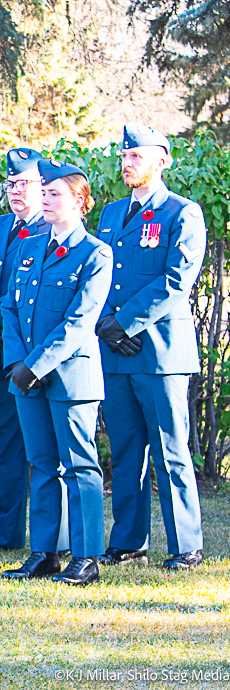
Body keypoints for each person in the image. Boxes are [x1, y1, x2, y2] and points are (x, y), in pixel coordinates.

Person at [96, 124, 206, 571]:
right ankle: (128, 542)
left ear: (163, 160)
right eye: (124, 156)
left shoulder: (183, 212)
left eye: (137, 156)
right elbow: (101, 273)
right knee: (125, 450)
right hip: (116, 353)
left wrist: (123, 322)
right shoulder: (111, 213)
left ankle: (187, 546)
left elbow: (177, 280)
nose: (128, 164)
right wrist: (105, 325)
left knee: (170, 449)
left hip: (159, 352)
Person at [1, 159, 112, 586]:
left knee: (80, 466)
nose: (45, 200)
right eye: (43, 193)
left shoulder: (96, 253)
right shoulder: (29, 245)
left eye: (55, 194)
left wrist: (37, 364)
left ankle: (85, 556)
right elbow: (10, 306)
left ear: (81, 202)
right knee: (41, 465)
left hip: (70, 377)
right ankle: (43, 552)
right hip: (26, 377)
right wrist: (18, 362)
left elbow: (80, 321)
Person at [0, 149, 51, 554]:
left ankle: (53, 536)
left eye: (26, 184)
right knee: (6, 444)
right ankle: (6, 534)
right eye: (12, 185)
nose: (16, 192)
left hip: (32, 355)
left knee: (42, 446)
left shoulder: (52, 230)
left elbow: (31, 290)